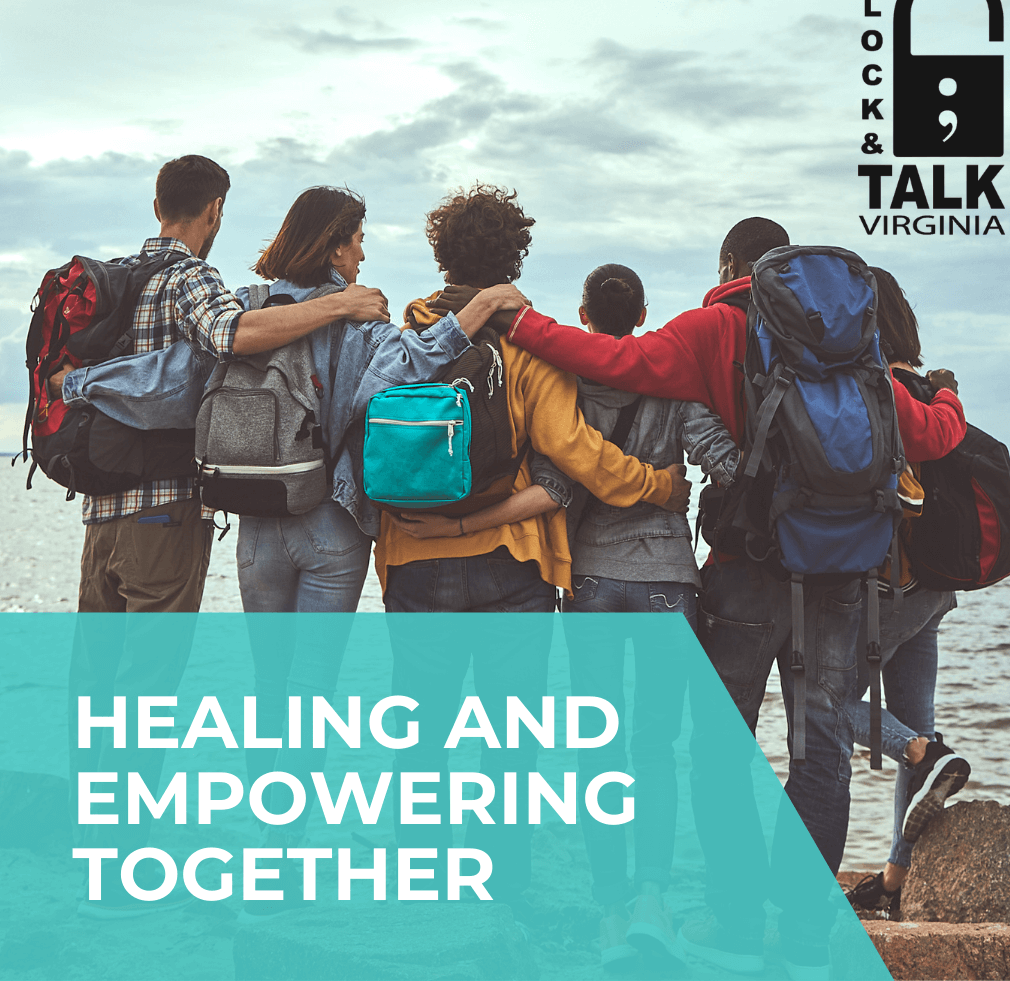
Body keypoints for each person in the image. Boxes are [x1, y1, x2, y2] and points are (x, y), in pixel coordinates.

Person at [471, 217, 910, 972]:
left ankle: (717, 918)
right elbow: (912, 431)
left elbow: (605, 369)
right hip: (827, 569)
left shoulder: (708, 329)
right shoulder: (841, 340)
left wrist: (521, 321)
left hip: (732, 571)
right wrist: (946, 410)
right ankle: (802, 934)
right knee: (821, 749)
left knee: (711, 751)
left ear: (731, 263)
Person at [60, 157, 388, 918]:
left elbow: (167, 380)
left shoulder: (204, 293)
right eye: (358, 241)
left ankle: (110, 849)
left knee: (204, 690)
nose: (363, 255)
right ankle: (270, 856)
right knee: (294, 696)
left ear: (155, 202)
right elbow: (371, 407)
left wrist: (78, 385)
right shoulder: (261, 302)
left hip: (223, 528)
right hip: (306, 522)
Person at [374, 184, 692, 924]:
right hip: (510, 565)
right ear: (513, 256)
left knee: (422, 735)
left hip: (412, 556)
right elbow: (576, 452)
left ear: (440, 254)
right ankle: (500, 893)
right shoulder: (527, 344)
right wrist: (655, 484)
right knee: (505, 744)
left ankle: (421, 893)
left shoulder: (406, 335)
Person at [536, 263, 740, 972]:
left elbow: (550, 472)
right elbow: (726, 461)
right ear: (644, 314)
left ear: (584, 316)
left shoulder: (567, 384)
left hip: (590, 577)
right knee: (655, 746)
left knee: (600, 749)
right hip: (667, 582)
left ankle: (610, 910)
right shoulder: (673, 380)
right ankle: (654, 900)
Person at [844, 267, 970, 919]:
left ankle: (929, 753)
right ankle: (895, 880)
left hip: (887, 584)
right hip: (933, 587)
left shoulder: (876, 388)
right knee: (911, 716)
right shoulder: (929, 388)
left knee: (826, 703)